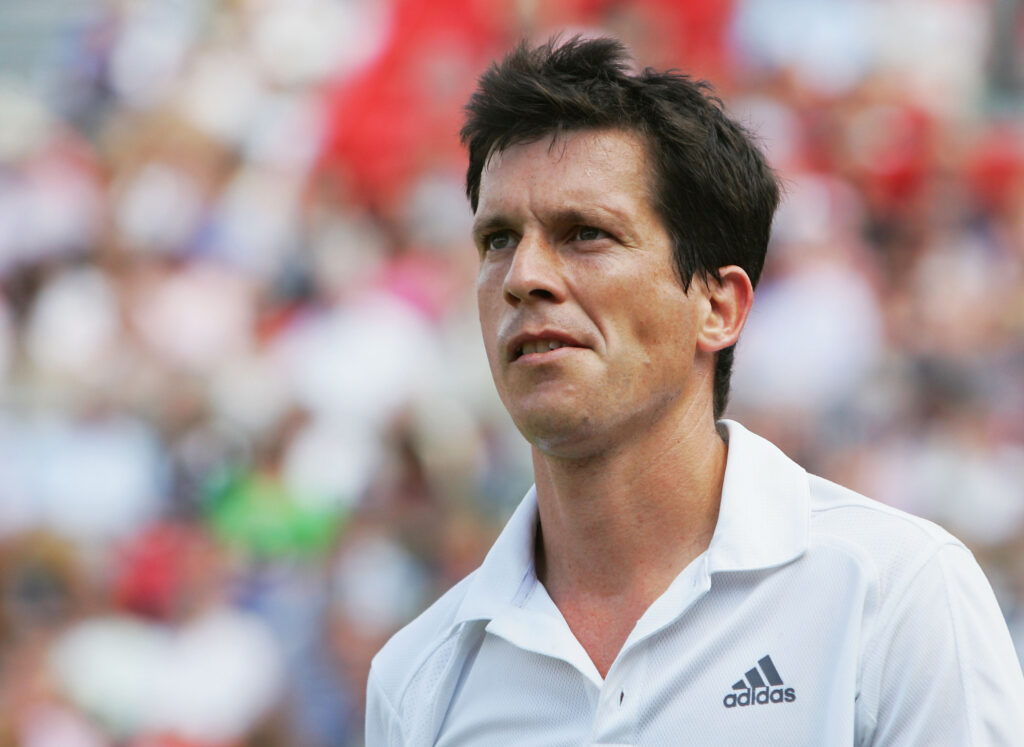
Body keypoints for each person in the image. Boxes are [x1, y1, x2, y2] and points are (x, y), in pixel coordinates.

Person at [365, 36, 1024, 745]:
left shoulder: (895, 593)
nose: (524, 275)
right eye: (497, 239)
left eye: (585, 232)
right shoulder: (417, 679)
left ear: (718, 307)